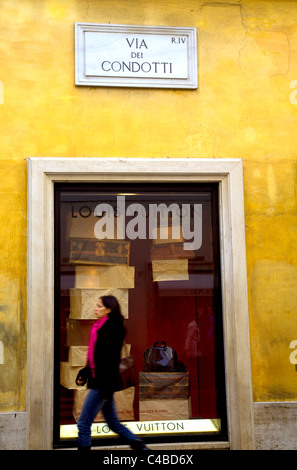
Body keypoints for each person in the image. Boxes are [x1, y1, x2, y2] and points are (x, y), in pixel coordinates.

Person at [76, 295, 148, 451]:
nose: (95, 308)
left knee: (83, 423)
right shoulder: (98, 327)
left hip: (102, 385)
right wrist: (85, 371)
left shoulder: (113, 329)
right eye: (96, 305)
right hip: (100, 382)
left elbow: (111, 361)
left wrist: (106, 390)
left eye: (99, 306)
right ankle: (138, 445)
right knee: (113, 422)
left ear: (109, 309)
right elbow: (95, 356)